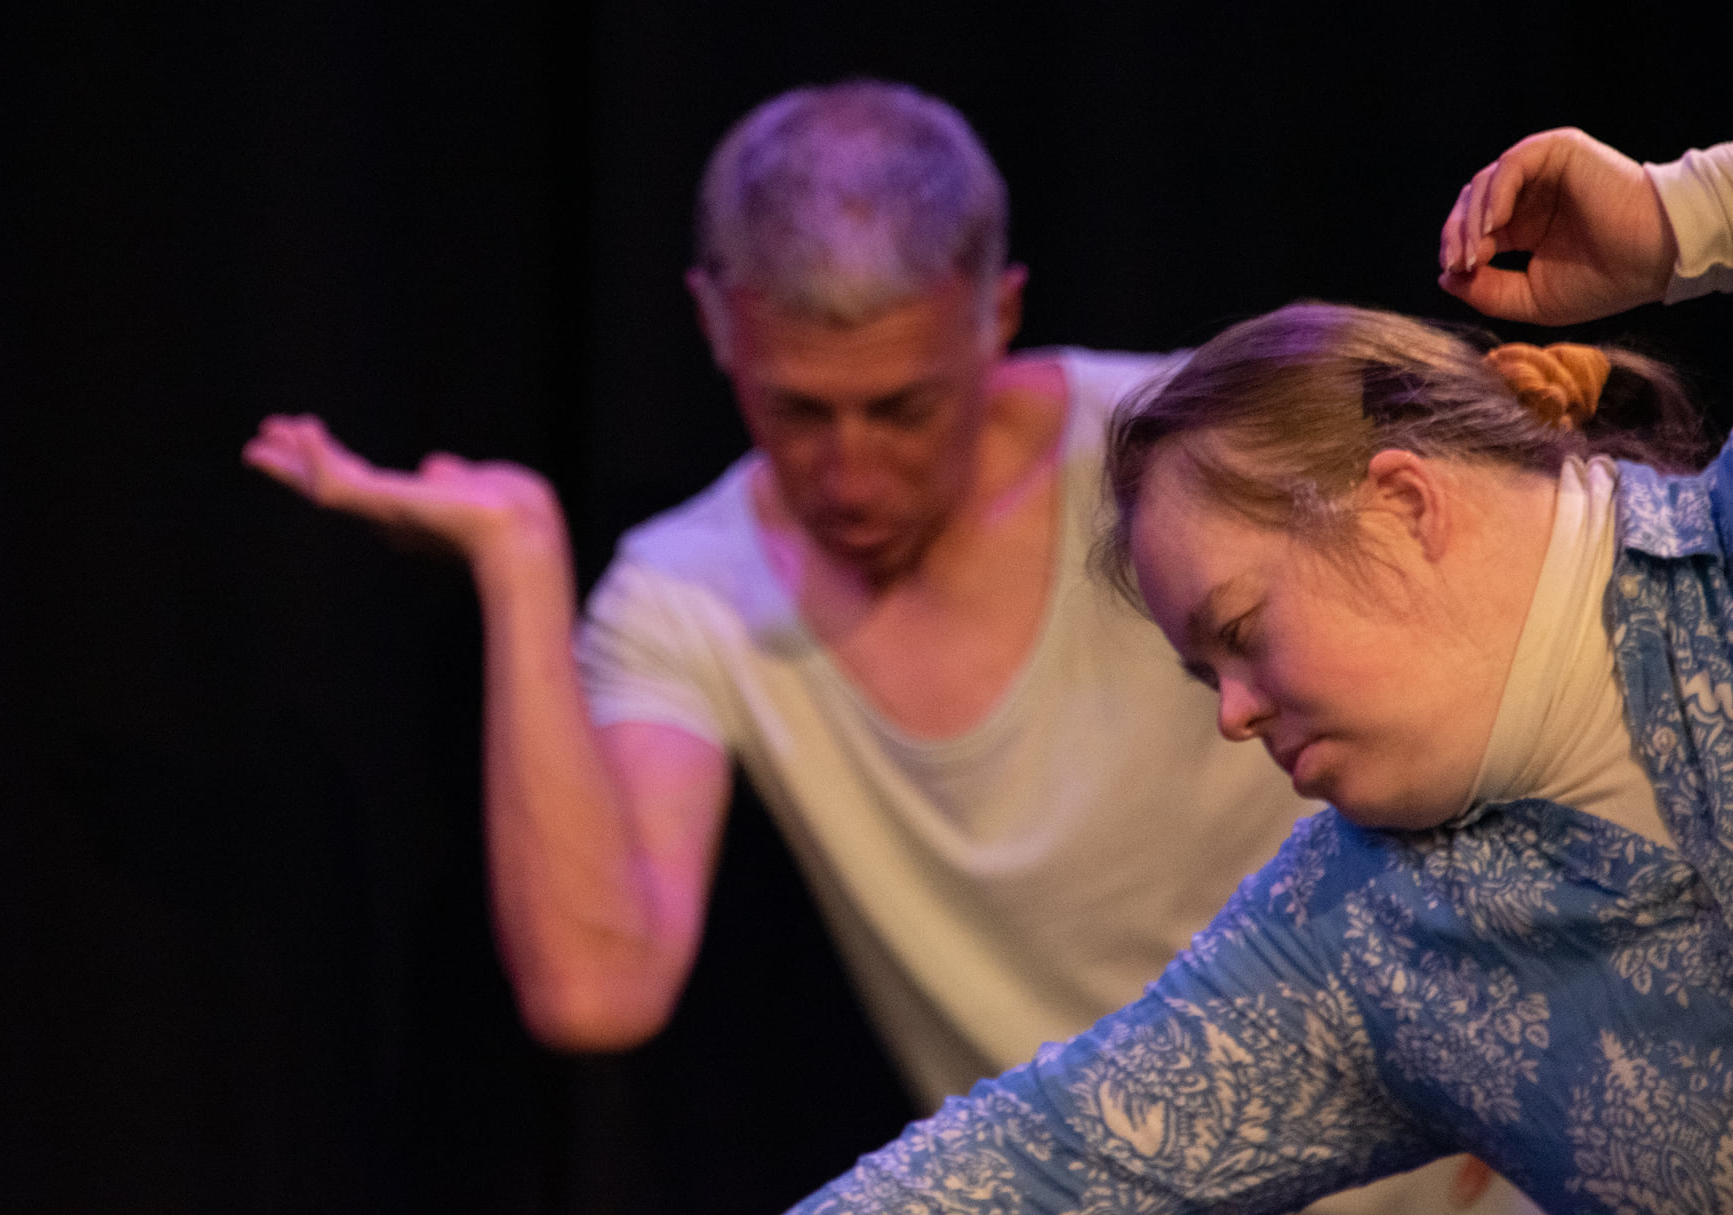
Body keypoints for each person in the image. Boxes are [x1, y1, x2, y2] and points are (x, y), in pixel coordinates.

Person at [244, 81, 1515, 1212]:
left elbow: (1508, 663)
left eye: (902, 408)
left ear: (995, 313)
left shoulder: (1184, 460)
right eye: (796, 409)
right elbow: (595, 985)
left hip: (1468, 1163)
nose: (848, 472)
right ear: (713, 323)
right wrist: (518, 558)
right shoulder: (693, 592)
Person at [789, 130, 1733, 1212]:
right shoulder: (1358, 935)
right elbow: (1016, 1166)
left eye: (1241, 628)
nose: (1233, 715)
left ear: (1403, 506)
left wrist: (1677, 216)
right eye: (1207, 676)